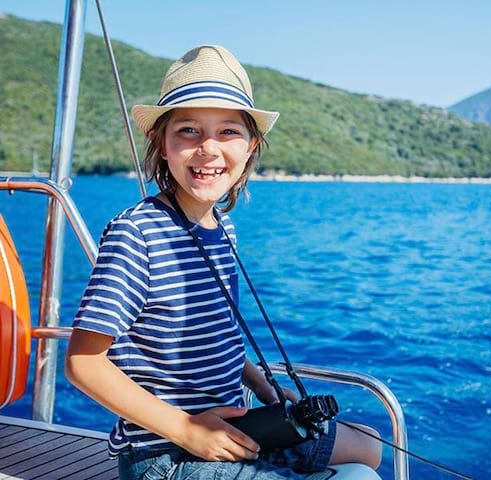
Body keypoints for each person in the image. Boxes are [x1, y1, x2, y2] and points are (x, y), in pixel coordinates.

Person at [65, 45, 381, 480]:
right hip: (166, 454)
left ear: (252, 146)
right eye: (189, 131)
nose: (208, 149)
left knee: (369, 446)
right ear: (162, 142)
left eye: (228, 131)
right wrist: (188, 430)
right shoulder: (136, 234)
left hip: (237, 429)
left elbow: (222, 332)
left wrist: (261, 384)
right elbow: (83, 363)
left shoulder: (223, 229)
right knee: (358, 477)